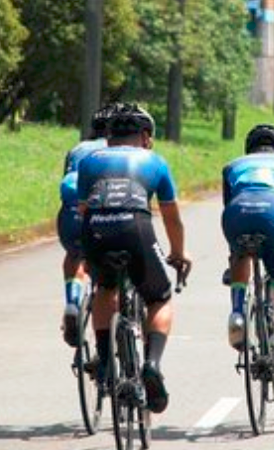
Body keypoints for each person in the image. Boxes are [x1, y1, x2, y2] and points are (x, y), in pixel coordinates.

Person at [76, 103, 191, 414]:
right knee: (159, 297)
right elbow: (171, 218)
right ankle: (151, 365)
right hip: (135, 227)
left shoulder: (89, 161)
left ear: (109, 138)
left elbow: (83, 208)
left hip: (96, 228)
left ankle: (103, 363)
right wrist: (178, 254)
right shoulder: (155, 161)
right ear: (145, 137)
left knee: (105, 288)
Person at [221, 124, 274, 403]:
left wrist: (232, 260)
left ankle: (237, 312)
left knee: (241, 252)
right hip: (272, 210)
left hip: (237, 212)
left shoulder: (233, 165)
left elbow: (228, 206)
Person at [58, 104, 116, 346]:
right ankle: (113, 337)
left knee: (76, 256)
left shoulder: (77, 149)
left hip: (72, 212)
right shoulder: (119, 150)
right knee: (114, 271)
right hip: (109, 213)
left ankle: (73, 301)